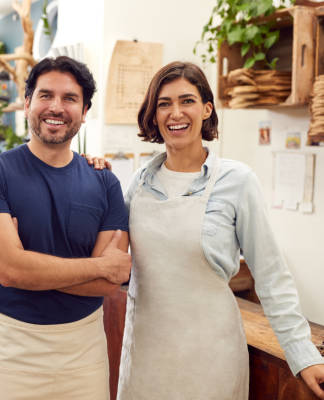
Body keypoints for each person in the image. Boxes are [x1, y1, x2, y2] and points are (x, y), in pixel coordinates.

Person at [116, 61, 324, 399]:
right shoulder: (139, 184)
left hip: (211, 357)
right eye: (164, 103)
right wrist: (89, 175)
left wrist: (303, 355)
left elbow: (271, 275)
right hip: (146, 357)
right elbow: (111, 254)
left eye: (187, 101)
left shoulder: (237, 181)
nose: (175, 113)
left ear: (206, 109)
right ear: (153, 115)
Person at [0, 56, 132, 400]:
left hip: (84, 351)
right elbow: (10, 271)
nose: (56, 107)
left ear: (85, 111)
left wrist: (31, 265)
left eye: (70, 98)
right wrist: (98, 265)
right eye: (45, 95)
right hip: (13, 349)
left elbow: (107, 284)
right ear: (27, 103)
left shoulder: (104, 182)